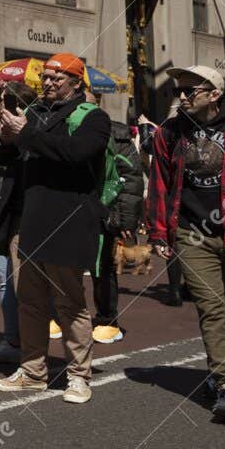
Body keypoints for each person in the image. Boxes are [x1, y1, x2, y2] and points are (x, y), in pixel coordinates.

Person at [144, 65, 225, 423]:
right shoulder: (169, 132)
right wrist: (159, 232)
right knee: (212, 308)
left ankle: (218, 371)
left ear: (215, 94)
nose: (183, 96)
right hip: (193, 234)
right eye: (180, 91)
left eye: (191, 90)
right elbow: (159, 182)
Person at [0, 54, 109, 405]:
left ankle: (78, 376)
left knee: (70, 303)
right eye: (45, 77)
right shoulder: (36, 114)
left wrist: (25, 133)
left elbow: (76, 153)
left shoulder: (94, 118)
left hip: (68, 222)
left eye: (57, 78)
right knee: (30, 301)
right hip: (30, 221)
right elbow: (5, 159)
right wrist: (4, 139)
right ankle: (32, 372)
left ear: (77, 82)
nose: (47, 83)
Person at [0, 84, 35, 366]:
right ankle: (14, 339)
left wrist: (20, 132)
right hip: (5, 211)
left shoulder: (35, 125)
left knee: (27, 283)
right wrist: (3, 137)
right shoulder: (0, 129)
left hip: (28, 213)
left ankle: (29, 344)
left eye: (1, 101)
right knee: (5, 280)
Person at [93, 120, 145, 344]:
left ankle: (107, 320)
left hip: (102, 211)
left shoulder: (117, 134)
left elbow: (131, 177)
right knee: (63, 270)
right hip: (69, 210)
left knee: (101, 267)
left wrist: (126, 220)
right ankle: (63, 318)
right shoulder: (57, 124)